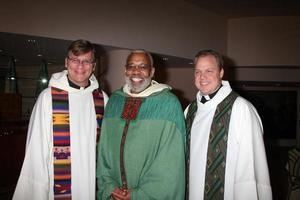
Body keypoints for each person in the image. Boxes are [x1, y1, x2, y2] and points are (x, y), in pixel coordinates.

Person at [13, 39, 108, 200]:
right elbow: (36, 148)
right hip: (56, 181)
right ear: (66, 62)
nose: (80, 66)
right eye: (75, 60)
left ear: (93, 66)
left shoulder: (102, 99)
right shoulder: (48, 98)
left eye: (86, 61)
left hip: (89, 178)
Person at [97, 49, 186, 200]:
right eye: (131, 66)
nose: (136, 71)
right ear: (125, 70)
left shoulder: (168, 104)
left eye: (142, 66)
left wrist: (138, 194)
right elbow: (103, 151)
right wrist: (110, 187)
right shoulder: (114, 102)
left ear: (152, 71)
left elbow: (171, 162)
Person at [185, 49, 272, 200]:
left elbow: (250, 168)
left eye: (209, 71)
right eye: (197, 71)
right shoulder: (190, 110)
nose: (202, 77)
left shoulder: (240, 108)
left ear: (221, 72)